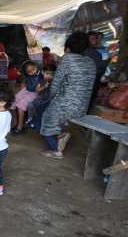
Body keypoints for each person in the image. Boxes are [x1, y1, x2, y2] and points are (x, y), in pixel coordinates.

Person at [40, 31, 96, 159]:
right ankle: (61, 135)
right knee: (57, 118)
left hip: (66, 104)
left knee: (46, 120)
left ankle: (56, 150)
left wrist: (48, 97)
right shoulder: (91, 62)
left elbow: (55, 85)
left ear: (68, 47)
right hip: (82, 107)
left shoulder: (68, 58)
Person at [11, 61, 40, 133]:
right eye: (29, 71)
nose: (32, 72)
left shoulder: (41, 74)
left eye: (33, 69)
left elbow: (37, 89)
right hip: (27, 91)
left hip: (34, 93)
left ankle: (20, 126)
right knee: (14, 99)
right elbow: (24, 85)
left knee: (21, 104)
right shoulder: (27, 76)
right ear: (26, 73)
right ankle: (16, 121)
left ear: (36, 66)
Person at [26, 64, 57, 130]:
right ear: (43, 72)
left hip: (49, 100)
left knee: (43, 114)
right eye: (47, 73)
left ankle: (41, 126)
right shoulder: (41, 80)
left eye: (52, 74)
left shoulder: (54, 81)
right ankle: (30, 119)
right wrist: (44, 87)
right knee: (31, 106)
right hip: (41, 99)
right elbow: (37, 90)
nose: (49, 76)